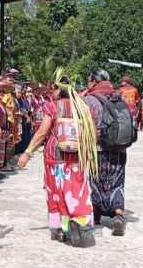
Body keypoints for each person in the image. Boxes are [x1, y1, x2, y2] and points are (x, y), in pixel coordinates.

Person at [18, 69, 98, 248]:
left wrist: (27, 152)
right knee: (78, 190)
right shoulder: (82, 107)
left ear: (56, 88)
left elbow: (42, 133)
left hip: (56, 157)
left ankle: (60, 228)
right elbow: (92, 132)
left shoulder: (52, 106)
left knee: (57, 191)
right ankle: (81, 222)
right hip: (78, 157)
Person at [85, 70, 128, 235]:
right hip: (119, 148)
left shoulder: (89, 99)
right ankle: (118, 215)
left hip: (99, 148)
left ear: (94, 81)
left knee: (97, 180)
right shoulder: (118, 96)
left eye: (89, 80)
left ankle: (96, 212)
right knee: (117, 181)